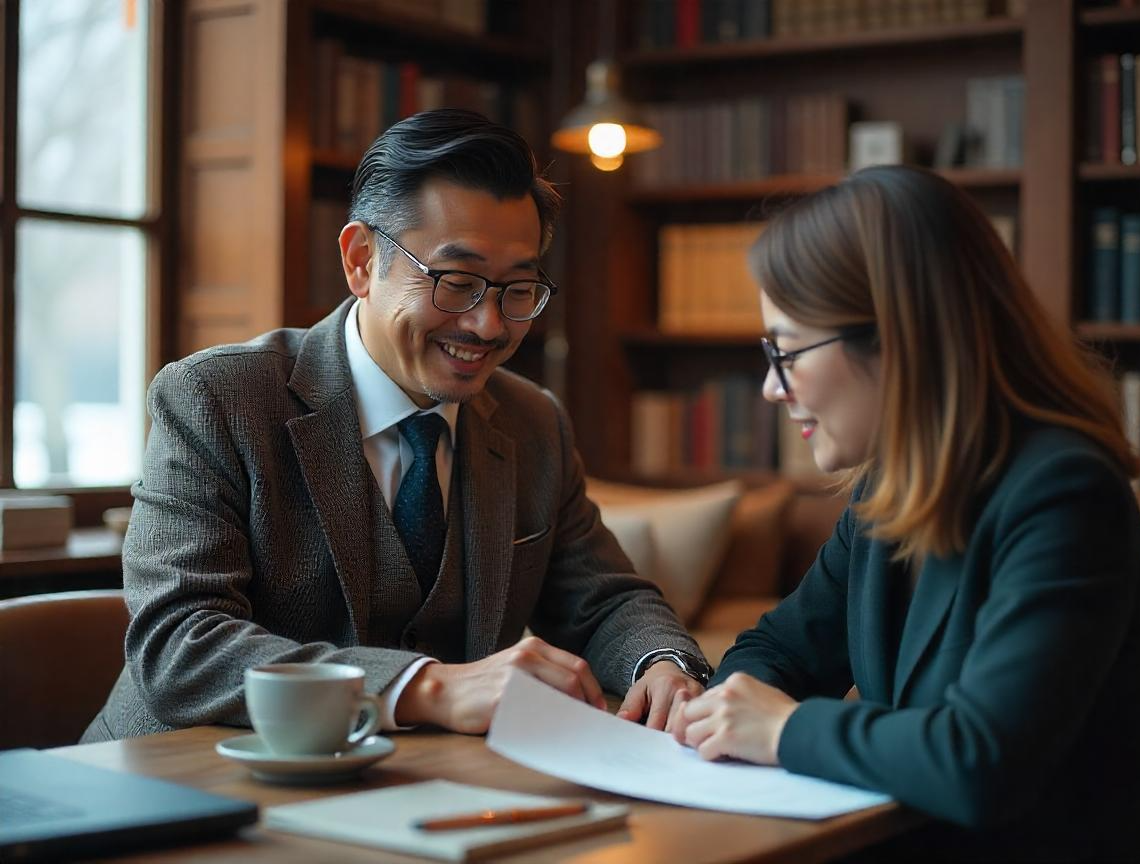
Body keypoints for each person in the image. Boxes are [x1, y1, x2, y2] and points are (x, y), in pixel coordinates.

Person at [84, 109, 710, 744]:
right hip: (182, 773)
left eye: (517, 289)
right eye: (456, 282)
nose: (489, 325)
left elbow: (605, 599)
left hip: (415, 785)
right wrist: (427, 688)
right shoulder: (217, 398)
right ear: (361, 260)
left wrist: (663, 664)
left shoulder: (534, 423)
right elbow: (181, 644)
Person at [669, 165, 1140, 862]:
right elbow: (777, 651)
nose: (772, 387)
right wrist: (725, 713)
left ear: (899, 338)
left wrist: (781, 729)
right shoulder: (887, 488)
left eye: (788, 350)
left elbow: (981, 761)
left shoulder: (1065, 494)